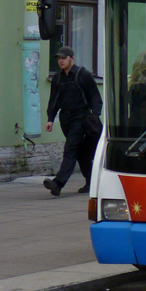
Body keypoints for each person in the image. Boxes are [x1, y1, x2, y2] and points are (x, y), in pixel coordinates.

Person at [44, 46, 102, 197]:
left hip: (80, 118)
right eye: (59, 58)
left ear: (72, 58)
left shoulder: (83, 75)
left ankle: (58, 183)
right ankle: (91, 183)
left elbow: (95, 97)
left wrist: (94, 116)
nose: (61, 61)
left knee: (70, 149)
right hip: (65, 118)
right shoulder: (58, 78)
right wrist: (50, 119)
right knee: (80, 153)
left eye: (64, 58)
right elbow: (54, 100)